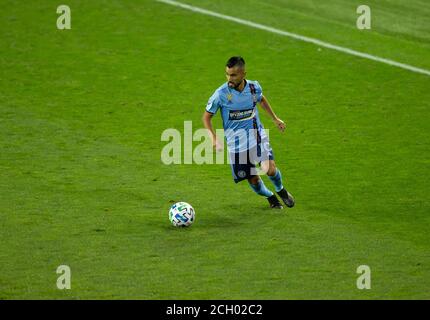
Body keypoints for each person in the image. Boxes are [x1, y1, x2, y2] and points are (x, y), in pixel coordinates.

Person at [202, 56, 295, 209]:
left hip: (256, 137)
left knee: (270, 170)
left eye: (233, 75)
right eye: (227, 74)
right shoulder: (220, 94)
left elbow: (261, 100)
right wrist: (213, 138)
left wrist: (275, 118)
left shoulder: (253, 88)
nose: (229, 78)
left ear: (243, 74)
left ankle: (281, 190)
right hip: (237, 145)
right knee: (254, 181)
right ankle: (270, 196)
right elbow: (206, 117)